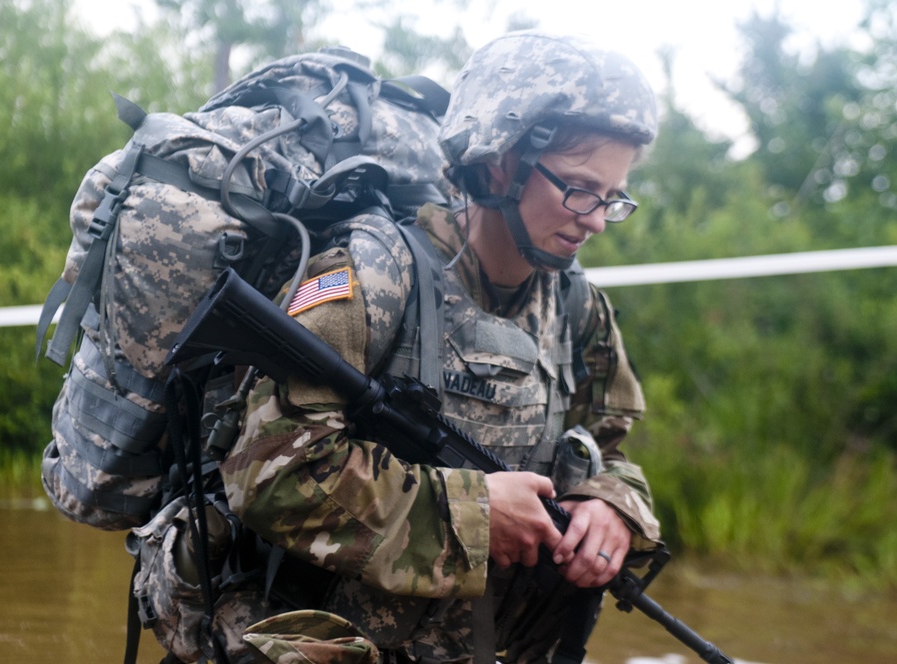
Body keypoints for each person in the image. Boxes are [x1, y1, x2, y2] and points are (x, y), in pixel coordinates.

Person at [219, 29, 663, 664]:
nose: (594, 219)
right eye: (578, 188)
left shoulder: (576, 307)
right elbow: (268, 474)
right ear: (496, 164)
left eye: (613, 199)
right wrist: (474, 515)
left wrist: (610, 505)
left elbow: (610, 451)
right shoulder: (371, 274)